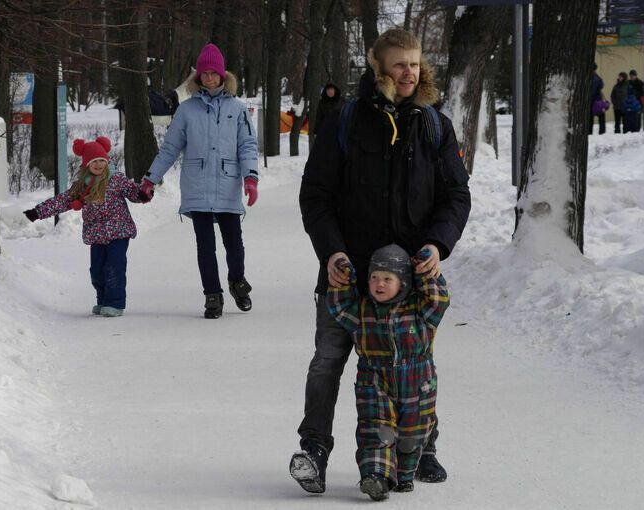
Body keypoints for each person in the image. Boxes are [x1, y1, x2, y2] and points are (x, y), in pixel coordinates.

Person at [291, 27, 471, 494]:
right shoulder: (346, 121)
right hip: (347, 271)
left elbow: (455, 195)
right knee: (327, 360)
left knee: (412, 364)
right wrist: (331, 250)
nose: (409, 71)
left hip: (408, 279)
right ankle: (314, 449)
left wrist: (437, 244)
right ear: (379, 68)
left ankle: (420, 446)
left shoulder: (435, 125)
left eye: (414, 63)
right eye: (399, 64)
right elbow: (316, 195)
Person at [139, 43, 259, 319]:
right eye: (203, 74)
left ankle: (237, 282)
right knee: (205, 245)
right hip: (197, 185)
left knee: (234, 244)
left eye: (213, 73)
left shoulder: (238, 109)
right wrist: (150, 179)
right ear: (197, 78)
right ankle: (212, 295)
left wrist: (250, 177)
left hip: (227, 184)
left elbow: (248, 146)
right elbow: (169, 148)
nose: (209, 78)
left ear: (222, 75)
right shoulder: (186, 111)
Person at [326, 245, 450, 501]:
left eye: (387, 279)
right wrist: (344, 279)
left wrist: (426, 274)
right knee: (376, 429)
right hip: (374, 383)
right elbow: (339, 306)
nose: (378, 284)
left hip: (417, 383)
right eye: (373, 278)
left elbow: (439, 300)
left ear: (403, 282)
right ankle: (377, 476)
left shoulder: (420, 310)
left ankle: (404, 475)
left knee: (413, 432)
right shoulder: (361, 310)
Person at [23, 137, 150, 317]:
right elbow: (63, 201)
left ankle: (115, 303)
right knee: (97, 270)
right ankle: (103, 300)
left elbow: (132, 192)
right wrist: (38, 212)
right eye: (94, 161)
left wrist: (142, 194)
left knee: (114, 266)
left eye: (101, 161)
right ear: (86, 164)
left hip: (119, 231)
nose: (98, 165)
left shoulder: (117, 179)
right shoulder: (82, 186)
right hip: (96, 233)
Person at [590, 63, 606, 135]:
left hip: (593, 100)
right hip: (598, 100)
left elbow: (593, 89)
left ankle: (589, 132)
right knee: (601, 116)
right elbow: (601, 85)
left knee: (590, 117)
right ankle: (602, 132)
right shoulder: (597, 76)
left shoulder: (593, 77)